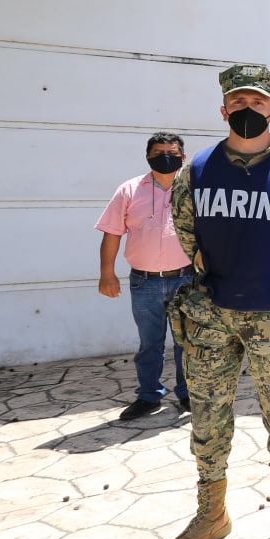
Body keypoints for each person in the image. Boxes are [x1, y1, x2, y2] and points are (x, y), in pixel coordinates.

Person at [158, 63, 270, 539]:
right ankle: (211, 513)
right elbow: (186, 232)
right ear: (223, 109)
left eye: (257, 102)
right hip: (209, 312)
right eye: (238, 101)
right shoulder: (196, 170)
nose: (247, 109)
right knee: (208, 415)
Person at [95, 132, 193, 420]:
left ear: (183, 157)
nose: (165, 158)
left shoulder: (195, 191)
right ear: (147, 156)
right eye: (158, 153)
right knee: (150, 343)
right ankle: (149, 396)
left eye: (172, 153)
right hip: (145, 281)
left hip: (186, 280)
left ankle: (188, 394)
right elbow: (112, 233)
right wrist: (106, 273)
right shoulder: (129, 190)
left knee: (187, 342)